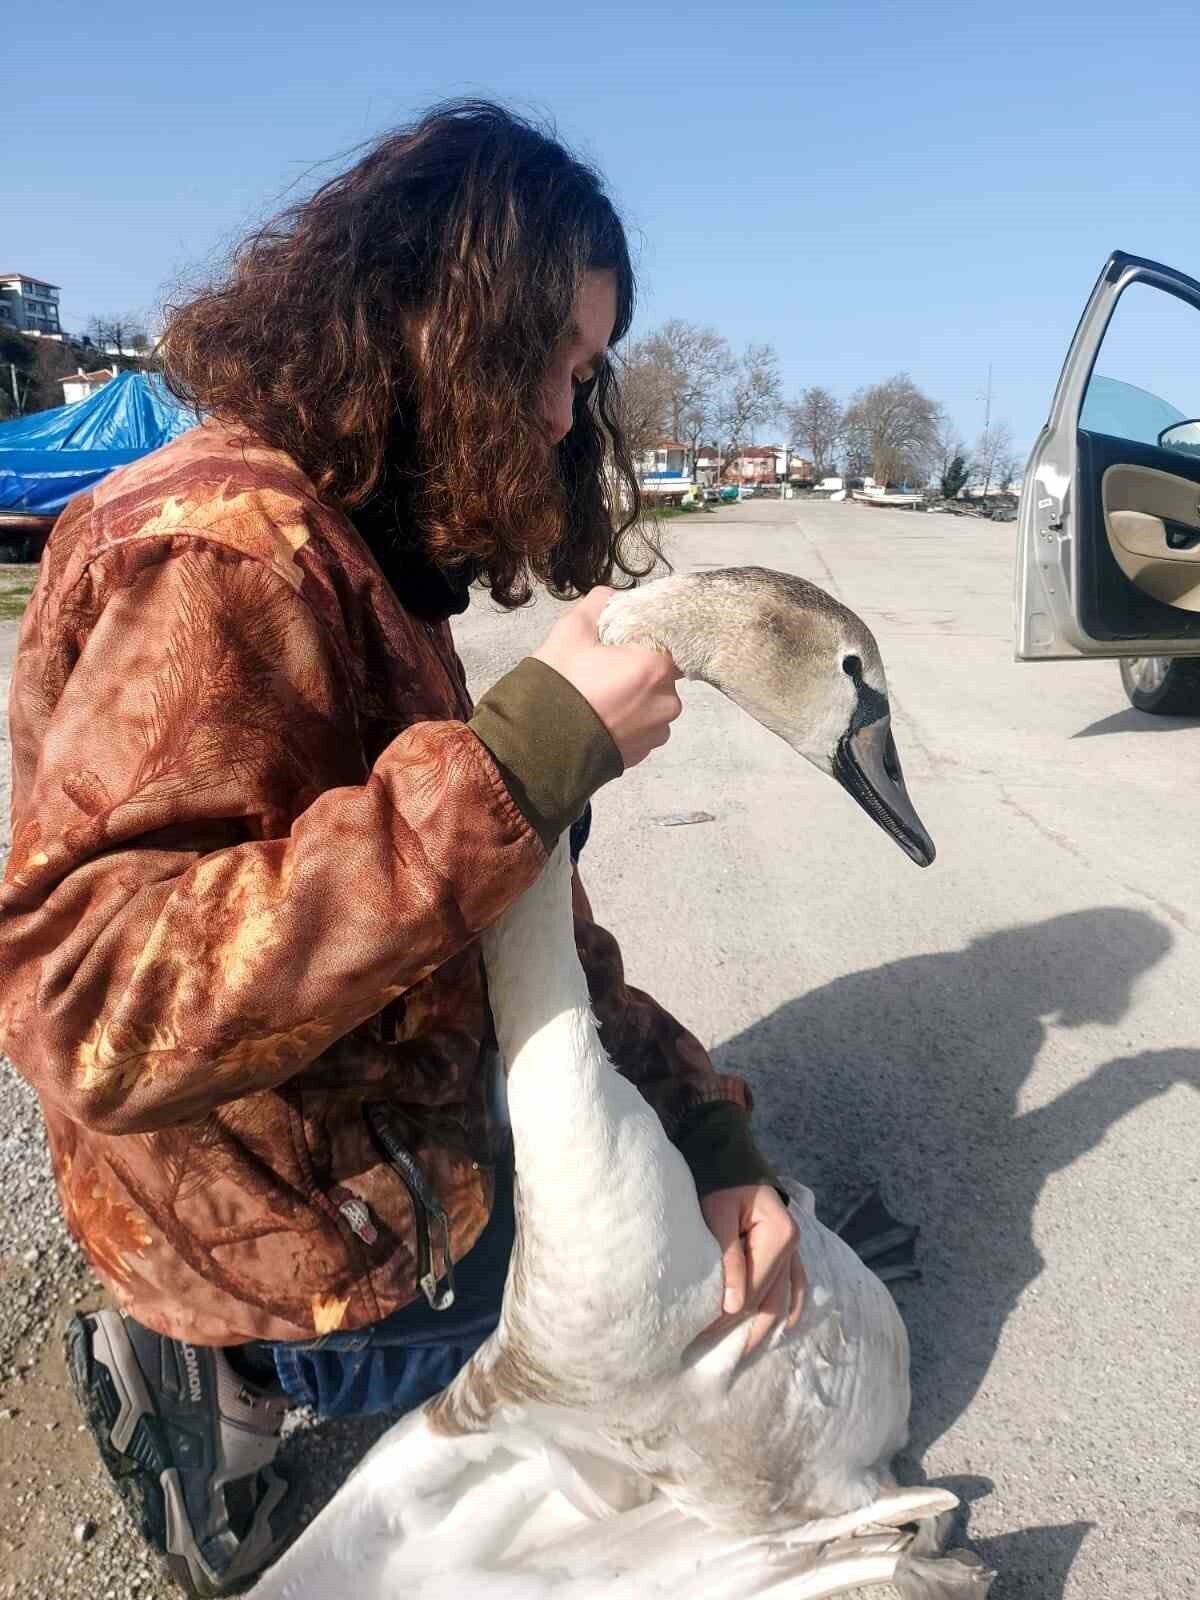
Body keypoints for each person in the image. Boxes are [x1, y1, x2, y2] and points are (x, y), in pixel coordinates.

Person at [0, 101, 803, 1596]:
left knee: (708, 1213)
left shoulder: (352, 547)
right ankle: (214, 1381)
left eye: (588, 375)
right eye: (560, 366)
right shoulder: (219, 558)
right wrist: (522, 759)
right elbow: (95, 1013)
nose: (572, 418)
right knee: (676, 1328)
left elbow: (517, 938)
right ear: (452, 327)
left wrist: (706, 1123)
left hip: (379, 1143)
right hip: (286, 1242)